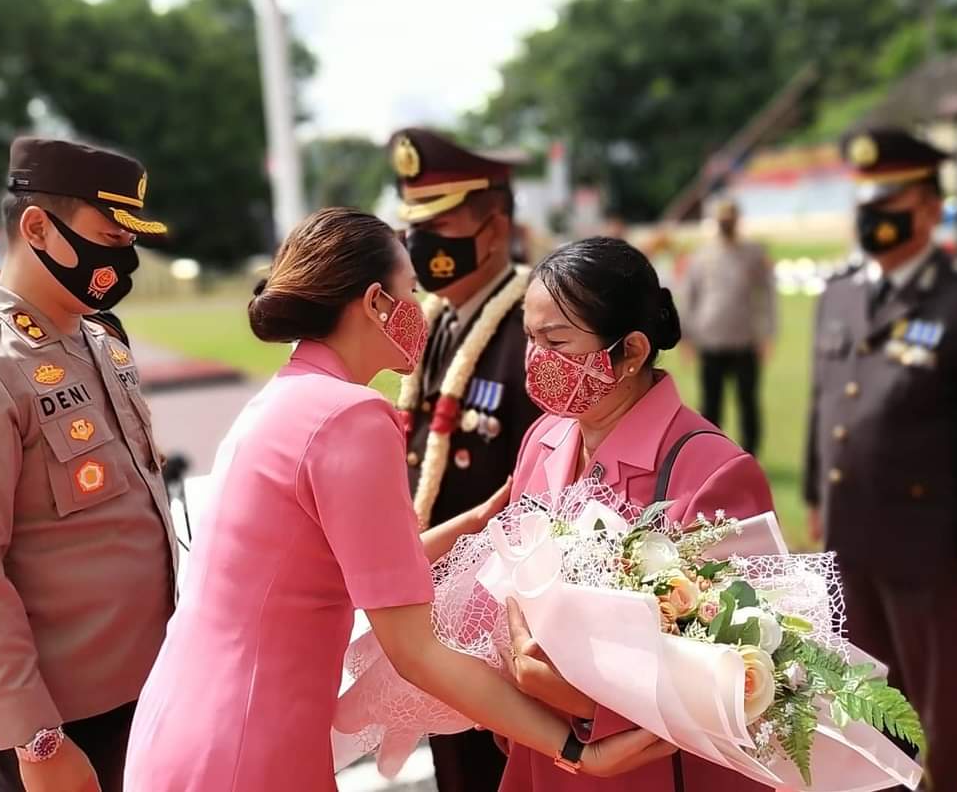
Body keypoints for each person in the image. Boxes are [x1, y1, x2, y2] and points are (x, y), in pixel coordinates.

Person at [122, 208, 672, 792]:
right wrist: (573, 749)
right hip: (249, 746)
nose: (420, 310)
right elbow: (417, 651)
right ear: (378, 304)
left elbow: (355, 570)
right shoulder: (350, 417)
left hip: (186, 723)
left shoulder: (289, 398)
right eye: (410, 291)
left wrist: (477, 522)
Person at [0, 138, 176, 792]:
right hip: (62, 715)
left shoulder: (99, 342)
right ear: (37, 228)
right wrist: (37, 741)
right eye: (108, 237)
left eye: (129, 241)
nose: (123, 260)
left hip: (142, 685)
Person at [499, 236, 776, 792]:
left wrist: (573, 697)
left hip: (646, 773)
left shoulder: (712, 470)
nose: (535, 360)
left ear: (629, 352)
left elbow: (741, 680)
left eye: (556, 340)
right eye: (529, 337)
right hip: (543, 757)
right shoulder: (545, 436)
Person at [804, 126, 957, 792]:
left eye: (888, 200)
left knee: (939, 715)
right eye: (865, 199)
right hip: (851, 537)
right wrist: (814, 493)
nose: (873, 214)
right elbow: (823, 404)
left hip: (936, 549)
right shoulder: (838, 294)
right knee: (867, 703)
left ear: (927, 208)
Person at [390, 127, 542, 791]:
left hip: (498, 621)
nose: (422, 244)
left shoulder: (533, 327)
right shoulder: (431, 324)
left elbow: (542, 498)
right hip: (435, 612)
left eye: (441, 223)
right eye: (414, 226)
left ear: (493, 229)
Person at [679, 197, 776, 456]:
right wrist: (686, 335)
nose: (726, 223)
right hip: (710, 340)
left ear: (737, 220)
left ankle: (750, 454)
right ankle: (713, 455)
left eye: (729, 218)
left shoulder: (753, 253)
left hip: (745, 339)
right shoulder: (702, 255)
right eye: (722, 219)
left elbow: (767, 294)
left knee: (747, 401)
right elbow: (690, 294)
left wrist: (768, 333)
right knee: (711, 404)